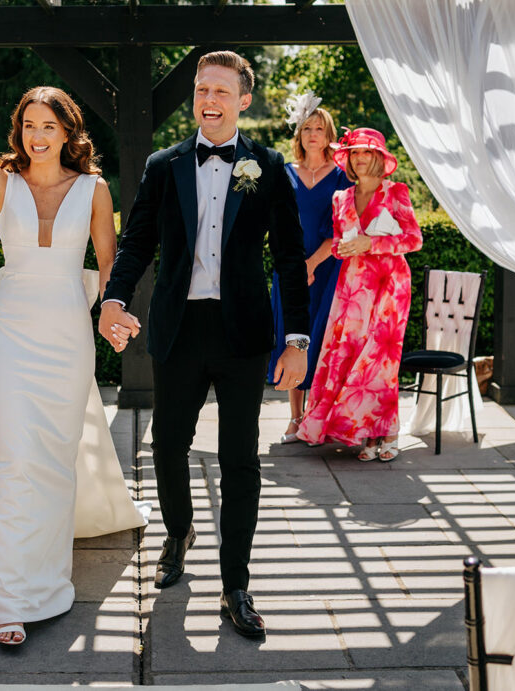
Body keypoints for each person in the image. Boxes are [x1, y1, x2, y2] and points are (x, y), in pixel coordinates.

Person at [0, 41, 145, 647]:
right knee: (19, 458)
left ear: (69, 132)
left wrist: (111, 313)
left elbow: (109, 261)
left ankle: (47, 581)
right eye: (29, 125)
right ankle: (6, 597)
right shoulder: (0, 181)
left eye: (50, 126)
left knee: (53, 460)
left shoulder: (93, 189)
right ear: (18, 130)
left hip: (68, 335)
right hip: (13, 335)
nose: (38, 135)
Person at [100, 50, 310, 639]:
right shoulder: (164, 166)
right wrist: (113, 300)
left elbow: (292, 261)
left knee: (241, 459)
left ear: (244, 99)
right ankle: (178, 531)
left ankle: (235, 584)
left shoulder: (269, 167)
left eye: (221, 91)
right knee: (168, 444)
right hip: (179, 328)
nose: (208, 101)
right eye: (201, 90)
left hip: (243, 335)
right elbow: (136, 243)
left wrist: (296, 339)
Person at [295, 127, 423, 462]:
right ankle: (366, 434)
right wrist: (345, 247)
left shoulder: (397, 192)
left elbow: (413, 240)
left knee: (380, 362)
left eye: (367, 152)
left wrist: (373, 243)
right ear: (348, 159)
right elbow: (338, 245)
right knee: (351, 355)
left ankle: (390, 432)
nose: (361, 158)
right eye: (355, 153)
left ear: (380, 157)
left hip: (390, 287)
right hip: (352, 288)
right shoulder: (340, 198)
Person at [269, 97, 352, 444]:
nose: (313, 134)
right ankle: (294, 417)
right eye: (307, 128)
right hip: (288, 271)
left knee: (321, 338)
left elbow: (341, 229)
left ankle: (320, 419)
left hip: (328, 269)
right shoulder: (282, 173)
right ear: (299, 135)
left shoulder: (342, 178)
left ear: (330, 136)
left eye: (320, 129)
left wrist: (312, 264)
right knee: (291, 335)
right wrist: (295, 267)